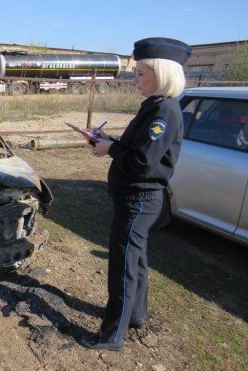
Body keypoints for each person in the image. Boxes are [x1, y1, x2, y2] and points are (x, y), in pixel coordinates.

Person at [80, 37, 192, 351]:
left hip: (138, 200)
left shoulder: (163, 112)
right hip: (136, 199)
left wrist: (111, 149)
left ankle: (112, 336)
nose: (135, 79)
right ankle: (136, 315)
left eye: (141, 73)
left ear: (162, 74)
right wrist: (109, 140)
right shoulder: (156, 107)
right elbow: (139, 148)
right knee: (136, 261)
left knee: (123, 266)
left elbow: (143, 163)